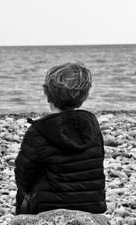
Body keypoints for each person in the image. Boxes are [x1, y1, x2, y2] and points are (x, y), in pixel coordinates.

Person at [14, 62, 106, 215]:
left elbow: (24, 173)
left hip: (47, 207)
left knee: (22, 194)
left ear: (47, 94)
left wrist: (27, 192)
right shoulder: (92, 126)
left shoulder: (39, 130)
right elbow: (96, 164)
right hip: (91, 204)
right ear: (85, 96)